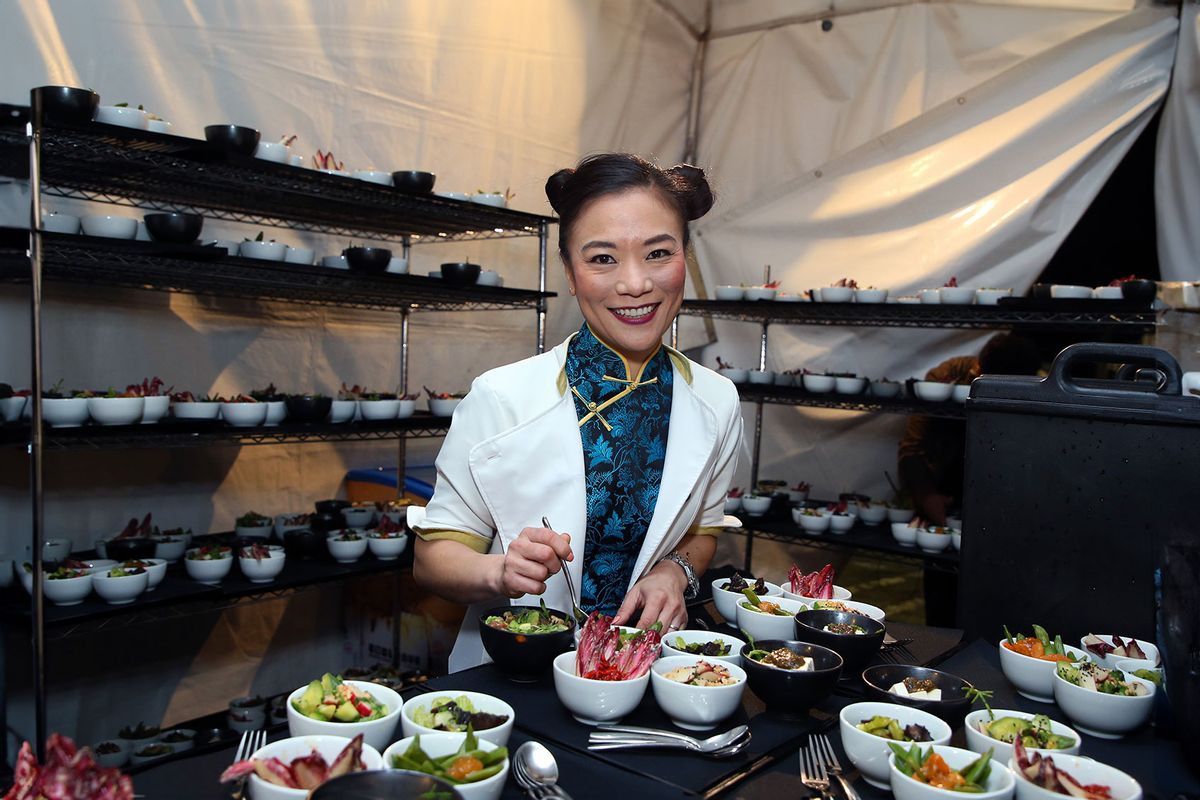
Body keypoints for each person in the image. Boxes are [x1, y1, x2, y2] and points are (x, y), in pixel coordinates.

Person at [409, 153, 744, 671]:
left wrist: (674, 572)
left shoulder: (717, 401)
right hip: (518, 676)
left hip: (654, 669)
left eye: (658, 253)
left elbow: (703, 528)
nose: (635, 284)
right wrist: (500, 573)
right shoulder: (502, 397)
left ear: (686, 258)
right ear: (569, 271)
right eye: (603, 258)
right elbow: (432, 561)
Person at [898, 332, 1042, 524]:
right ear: (980, 369)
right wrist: (927, 496)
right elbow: (911, 448)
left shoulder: (1039, 388)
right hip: (943, 479)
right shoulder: (947, 376)